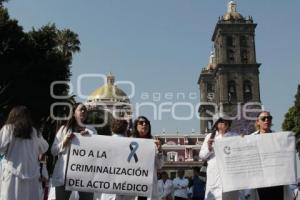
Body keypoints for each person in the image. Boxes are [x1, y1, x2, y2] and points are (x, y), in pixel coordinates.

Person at [0, 105, 49, 200]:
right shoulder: (35, 132)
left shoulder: (8, 129)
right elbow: (45, 147)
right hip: (32, 176)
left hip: (12, 175)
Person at [51, 103, 97, 200]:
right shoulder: (64, 130)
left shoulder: (92, 131)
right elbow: (53, 151)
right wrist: (64, 142)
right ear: (74, 113)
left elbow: (98, 151)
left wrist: (90, 139)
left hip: (85, 176)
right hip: (65, 175)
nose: (83, 111)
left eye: (85, 109)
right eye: (81, 109)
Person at [249, 111, 293, 200]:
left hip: (277, 180)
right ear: (258, 122)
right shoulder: (250, 139)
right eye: (263, 118)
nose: (267, 120)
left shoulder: (279, 138)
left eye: (269, 118)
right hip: (260, 181)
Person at [199, 112, 239, 200]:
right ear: (216, 124)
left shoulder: (235, 136)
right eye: (221, 121)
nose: (224, 123)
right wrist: (209, 148)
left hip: (230, 175)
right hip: (214, 176)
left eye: (226, 121)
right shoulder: (210, 136)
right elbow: (202, 155)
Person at [99, 117, 136, 200]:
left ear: (112, 128)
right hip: (125, 183)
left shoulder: (104, 142)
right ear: (126, 129)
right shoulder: (131, 144)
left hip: (106, 183)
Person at [131, 116, 164, 200]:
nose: (144, 124)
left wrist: (160, 151)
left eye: (147, 123)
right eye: (141, 123)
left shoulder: (154, 143)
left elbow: (159, 165)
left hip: (149, 184)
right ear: (135, 126)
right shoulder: (129, 141)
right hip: (133, 183)